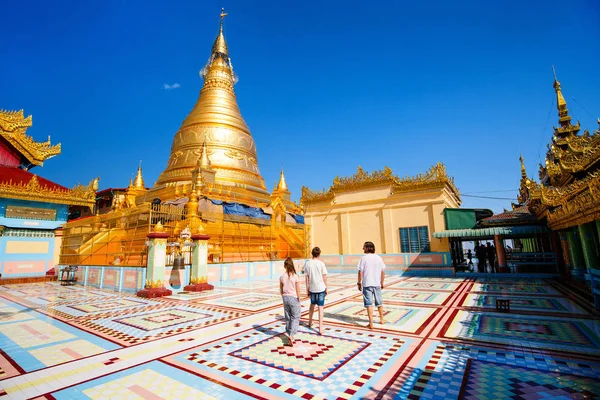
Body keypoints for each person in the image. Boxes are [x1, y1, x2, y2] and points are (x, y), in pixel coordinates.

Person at [357, 241, 386, 329]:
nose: (363, 249)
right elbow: (383, 271)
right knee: (379, 302)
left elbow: (360, 271)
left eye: (364, 247)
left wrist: (359, 282)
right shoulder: (378, 258)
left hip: (367, 284)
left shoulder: (363, 258)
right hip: (376, 284)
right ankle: (382, 319)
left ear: (367, 248)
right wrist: (381, 282)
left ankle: (371, 323)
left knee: (369, 304)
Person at [304, 246, 328, 334]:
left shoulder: (307, 263)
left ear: (312, 254)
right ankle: (320, 328)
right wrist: (326, 287)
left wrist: (307, 288)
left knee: (312, 304)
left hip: (312, 288)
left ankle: (310, 322)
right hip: (321, 287)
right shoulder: (321, 264)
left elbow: (306, 277)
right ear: (319, 254)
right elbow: (324, 276)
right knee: (320, 307)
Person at [280, 257, 301, 347]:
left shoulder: (282, 277)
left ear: (285, 266)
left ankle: (288, 333)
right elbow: (297, 289)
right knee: (295, 317)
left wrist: (284, 296)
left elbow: (281, 290)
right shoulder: (295, 276)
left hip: (285, 298)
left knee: (288, 317)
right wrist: (299, 298)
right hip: (293, 297)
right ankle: (291, 335)